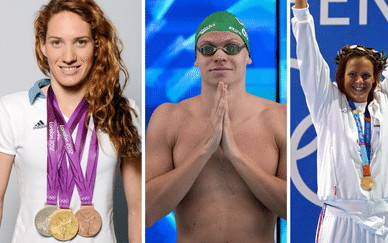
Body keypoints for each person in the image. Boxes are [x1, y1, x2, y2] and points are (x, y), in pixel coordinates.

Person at [0, 0, 141, 242]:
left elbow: (138, 208)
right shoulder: (12, 110)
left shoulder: (124, 112)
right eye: (57, 43)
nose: (68, 57)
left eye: (80, 42)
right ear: (42, 46)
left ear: (96, 46)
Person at [292, 0, 388, 242]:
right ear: (340, 76)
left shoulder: (386, 102)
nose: (359, 81)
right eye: (352, 74)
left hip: (384, 223)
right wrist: (301, 9)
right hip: (341, 222)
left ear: (376, 78)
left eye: (366, 75)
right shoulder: (326, 102)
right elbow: (308, 55)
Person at [145, 11, 287, 242]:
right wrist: (203, 150)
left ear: (247, 56)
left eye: (231, 48)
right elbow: (146, 213)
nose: (219, 56)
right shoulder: (168, 118)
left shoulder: (278, 117)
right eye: (207, 49)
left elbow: (292, 210)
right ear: (196, 58)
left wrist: (236, 155)